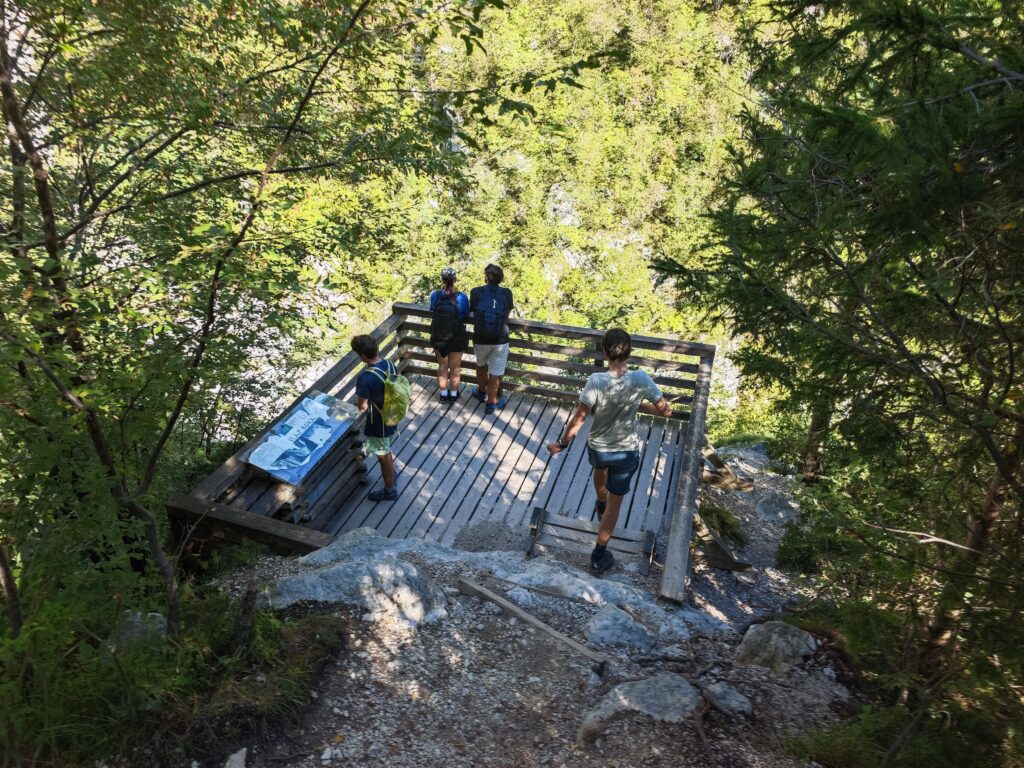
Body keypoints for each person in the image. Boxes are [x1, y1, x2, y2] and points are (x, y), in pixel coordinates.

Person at [547, 328, 672, 574]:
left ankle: (600, 502)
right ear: (629, 351)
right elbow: (665, 411)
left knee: (599, 468)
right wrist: (640, 403)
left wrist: (562, 443)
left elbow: (579, 419)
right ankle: (598, 555)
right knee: (616, 506)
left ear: (604, 352)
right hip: (626, 451)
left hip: (599, 447)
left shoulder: (597, 381)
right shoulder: (641, 379)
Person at [352, 334, 399, 502]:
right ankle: (392, 475)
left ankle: (389, 490)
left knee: (383, 455)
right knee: (386, 448)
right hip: (393, 415)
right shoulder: (389, 364)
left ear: (363, 355)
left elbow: (362, 406)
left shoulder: (365, 378)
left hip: (378, 423)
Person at [469, 263, 514, 416]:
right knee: (495, 372)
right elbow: (507, 313)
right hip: (500, 339)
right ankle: (491, 403)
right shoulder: (507, 293)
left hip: (480, 337)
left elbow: (473, 310)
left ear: (486, 277)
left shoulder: (475, 292)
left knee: (480, 365)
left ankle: (481, 392)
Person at [428, 267, 470, 403]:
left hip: (439, 337)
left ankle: (443, 395)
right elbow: (465, 313)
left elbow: (432, 309)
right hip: (457, 337)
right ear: (455, 280)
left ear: (442, 279)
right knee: (455, 368)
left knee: (442, 367)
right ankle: (453, 395)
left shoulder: (435, 295)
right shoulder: (462, 297)